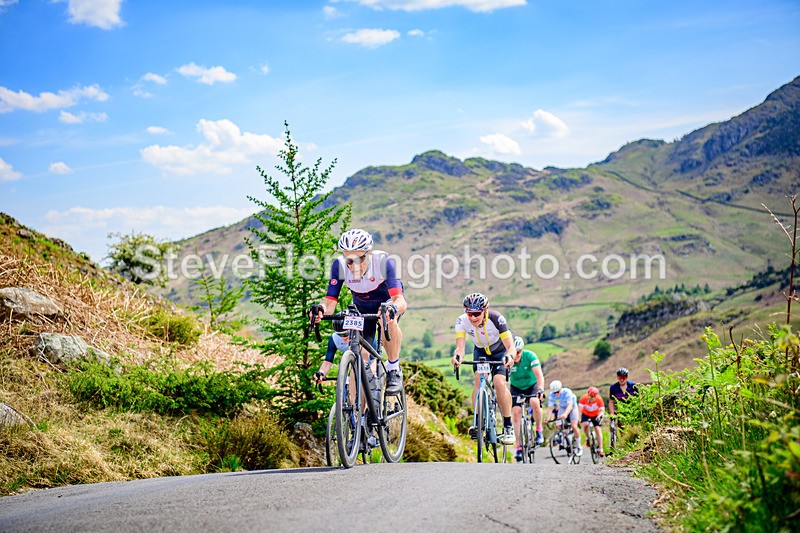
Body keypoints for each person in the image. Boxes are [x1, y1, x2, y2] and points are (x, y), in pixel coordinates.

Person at [311, 229, 407, 395]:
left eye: (359, 259)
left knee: (386, 317)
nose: (353, 265)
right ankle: (358, 417)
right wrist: (320, 310)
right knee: (359, 358)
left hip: (386, 304)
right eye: (349, 260)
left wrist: (393, 309)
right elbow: (330, 303)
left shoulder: (384, 262)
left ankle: (393, 369)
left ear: (369, 253)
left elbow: (400, 300)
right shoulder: (339, 266)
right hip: (362, 308)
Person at [451, 292, 516, 446]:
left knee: (499, 382)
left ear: (485, 310)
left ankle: (508, 426)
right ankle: (478, 421)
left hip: (500, 351)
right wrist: (457, 357)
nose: (473, 318)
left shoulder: (496, 318)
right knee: (479, 379)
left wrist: (510, 357)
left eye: (476, 313)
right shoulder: (461, 321)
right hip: (481, 352)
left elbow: (511, 347)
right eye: (469, 313)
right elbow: (460, 348)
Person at [509, 335, 545, 461]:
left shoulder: (530, 356)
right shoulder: (508, 359)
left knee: (535, 402)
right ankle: (518, 446)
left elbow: (539, 376)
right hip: (516, 387)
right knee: (516, 412)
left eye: (519, 351)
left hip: (531, 385)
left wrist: (540, 389)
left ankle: (539, 429)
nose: (517, 354)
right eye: (515, 351)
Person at [545, 379, 582, 456]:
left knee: (574, 426)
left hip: (572, 407)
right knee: (558, 423)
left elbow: (570, 405)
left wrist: (565, 414)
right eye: (554, 393)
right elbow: (550, 408)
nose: (556, 394)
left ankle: (579, 446)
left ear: (561, 388)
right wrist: (548, 418)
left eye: (557, 392)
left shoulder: (567, 392)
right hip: (562, 407)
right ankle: (563, 440)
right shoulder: (551, 395)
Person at [579, 386, 605, 457]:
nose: (591, 398)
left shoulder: (599, 399)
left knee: (598, 429)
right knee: (585, 425)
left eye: (593, 397)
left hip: (596, 415)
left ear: (596, 396)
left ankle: (600, 449)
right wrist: (579, 419)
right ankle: (588, 438)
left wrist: (600, 415)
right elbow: (580, 409)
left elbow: (602, 410)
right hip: (586, 414)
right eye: (590, 396)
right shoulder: (583, 398)